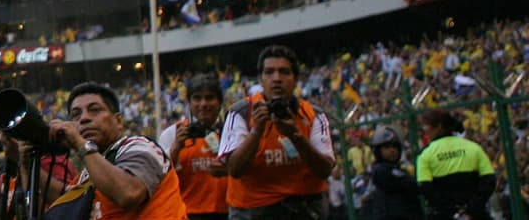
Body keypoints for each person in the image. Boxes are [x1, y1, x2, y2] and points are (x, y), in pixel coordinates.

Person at [219, 45, 335, 219]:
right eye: (269, 72)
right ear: (260, 79)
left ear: (295, 79)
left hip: (304, 209)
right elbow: (234, 170)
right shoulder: (241, 112)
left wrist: (296, 136)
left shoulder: (314, 115)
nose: (277, 79)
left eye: (284, 72)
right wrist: (257, 131)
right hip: (253, 212)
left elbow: (325, 169)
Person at [44, 82, 188, 219]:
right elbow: (64, 199)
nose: (84, 118)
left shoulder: (140, 146)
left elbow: (129, 193)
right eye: (76, 114)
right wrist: (25, 162)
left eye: (94, 110)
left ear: (118, 121)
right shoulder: (91, 170)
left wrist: (80, 144)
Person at [159, 74, 229, 220]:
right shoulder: (172, 134)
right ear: (189, 103)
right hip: (186, 213)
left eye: (210, 98)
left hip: (227, 211)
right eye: (197, 98)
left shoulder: (232, 131)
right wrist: (177, 146)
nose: (203, 104)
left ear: (220, 102)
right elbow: (159, 176)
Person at [415, 109, 494, 220]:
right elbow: (489, 180)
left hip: (443, 215)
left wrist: (452, 211)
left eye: (426, 125)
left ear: (439, 126)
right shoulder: (474, 147)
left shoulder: (425, 154)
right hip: (475, 214)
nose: (424, 130)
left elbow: (426, 188)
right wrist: (471, 208)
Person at [362, 127, 421, 220]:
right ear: (377, 151)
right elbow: (411, 185)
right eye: (386, 147)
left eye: (395, 146)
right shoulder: (381, 170)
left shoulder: (397, 168)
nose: (392, 150)